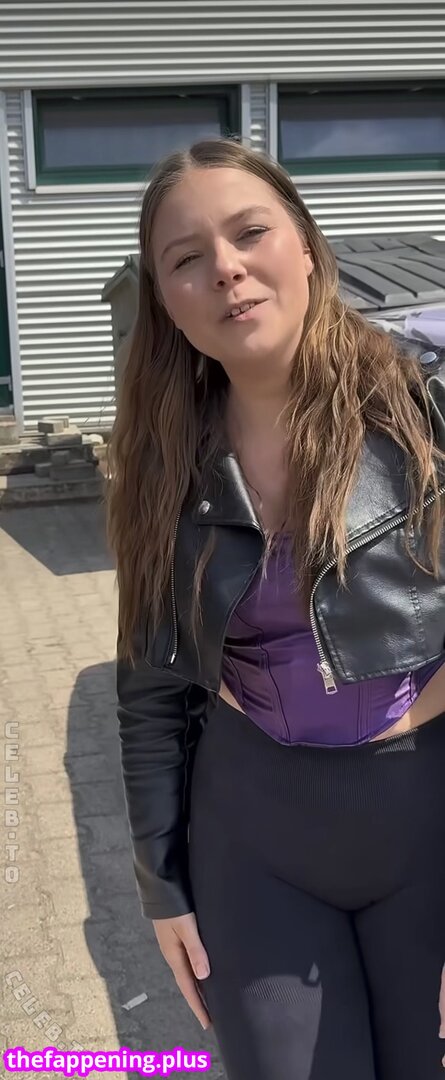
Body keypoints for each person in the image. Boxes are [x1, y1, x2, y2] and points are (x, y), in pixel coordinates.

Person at [107, 136, 445, 1080]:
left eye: (249, 232)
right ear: (165, 301)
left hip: (424, 817)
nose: (225, 268)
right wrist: (160, 886)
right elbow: (149, 690)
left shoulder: (424, 406)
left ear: (303, 243)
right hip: (254, 841)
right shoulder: (158, 468)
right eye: (186, 258)